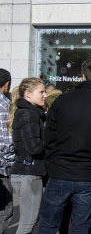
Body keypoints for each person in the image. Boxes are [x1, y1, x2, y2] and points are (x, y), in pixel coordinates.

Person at [38, 58, 91, 234]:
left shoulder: (63, 100)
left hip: (64, 170)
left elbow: (50, 136)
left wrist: (51, 163)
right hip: (86, 173)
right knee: (80, 225)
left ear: (83, 77)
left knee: (50, 224)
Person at [7, 78, 47, 234]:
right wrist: (52, 141)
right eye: (41, 92)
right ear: (28, 94)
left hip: (26, 172)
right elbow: (34, 147)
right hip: (29, 173)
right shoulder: (28, 114)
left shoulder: (29, 113)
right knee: (27, 223)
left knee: (29, 221)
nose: (45, 95)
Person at [0, 69, 14, 234]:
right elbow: (6, 142)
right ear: (7, 85)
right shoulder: (5, 105)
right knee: (5, 209)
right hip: (3, 167)